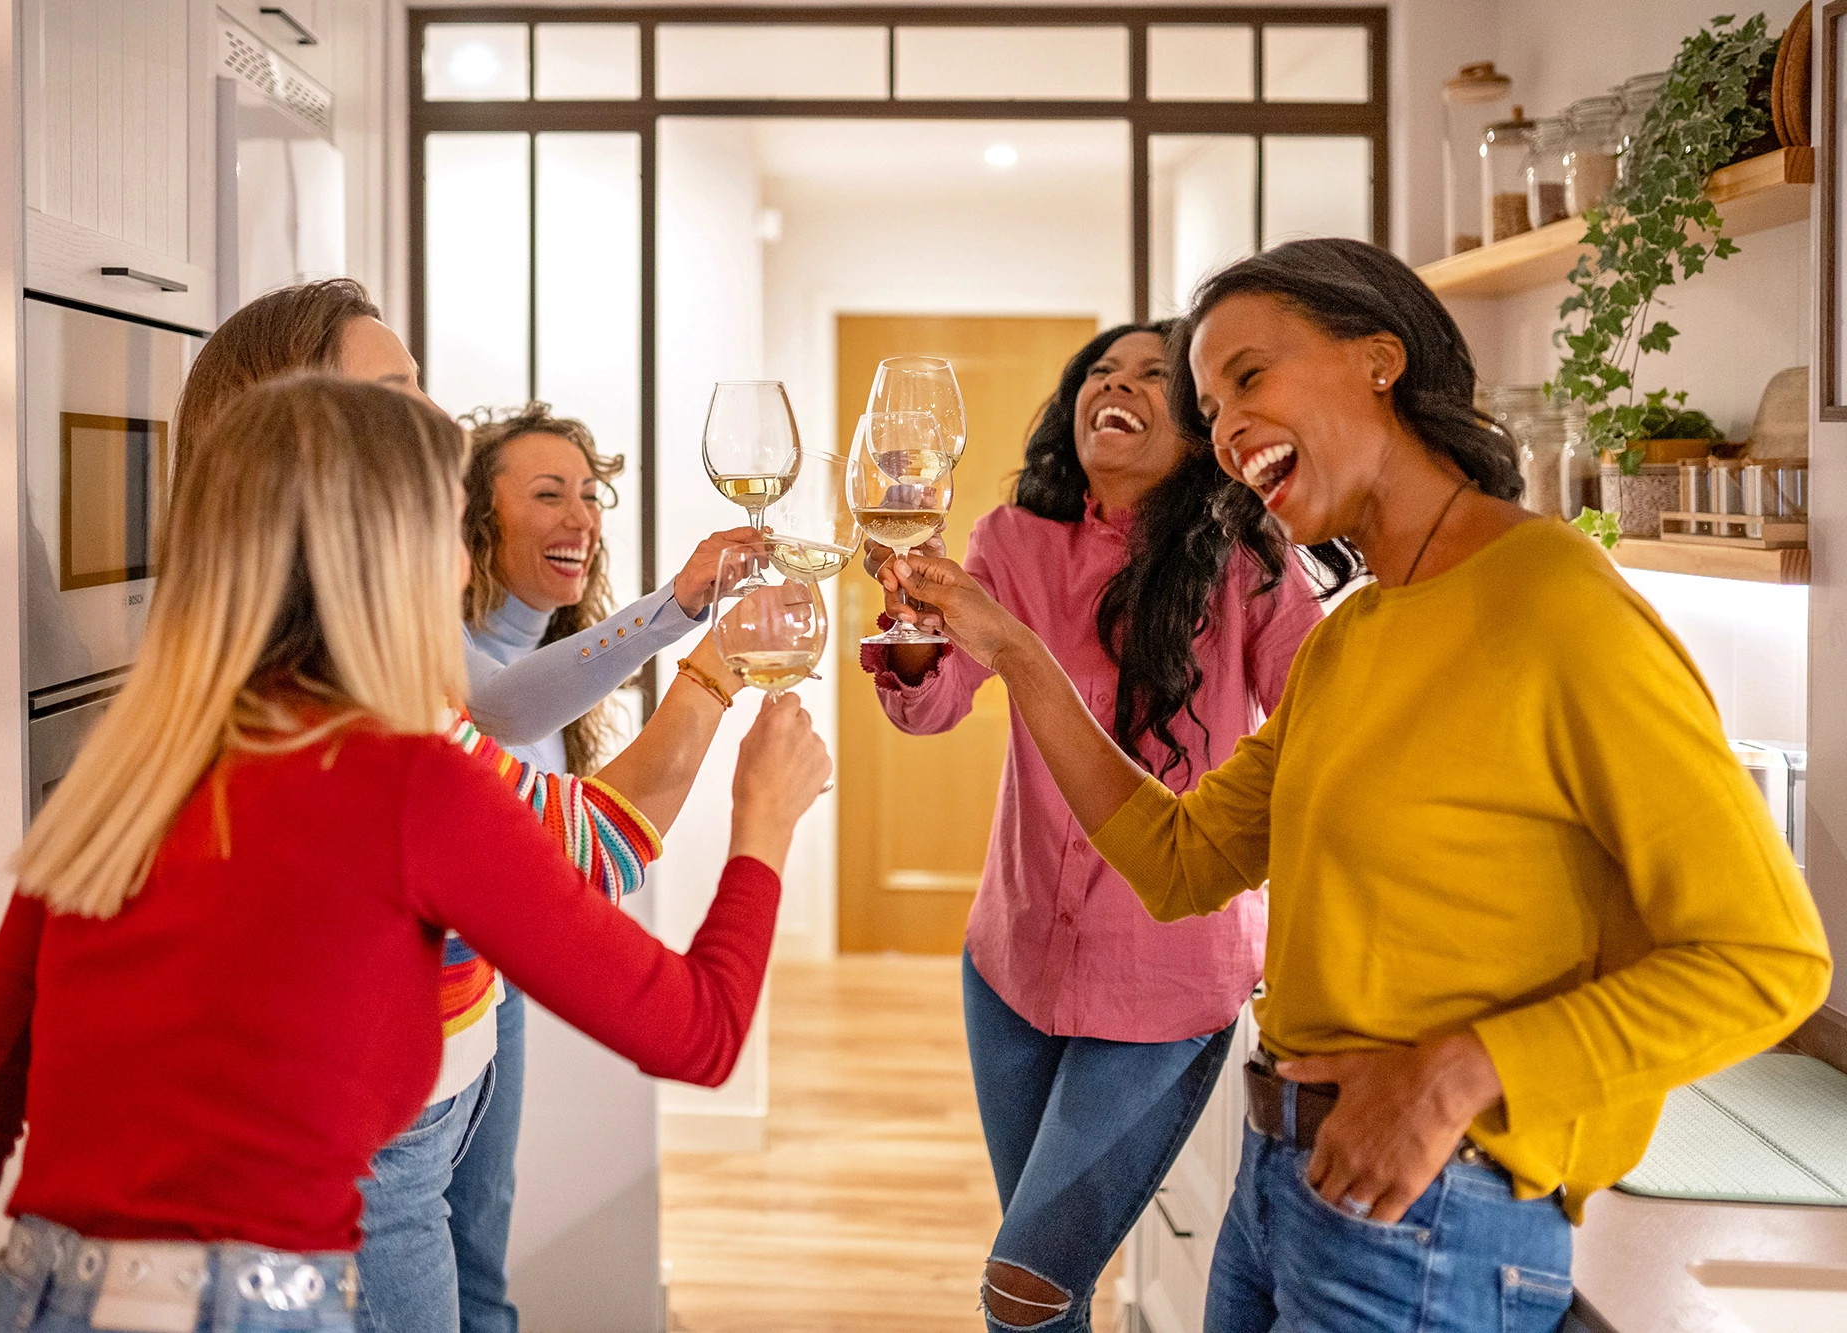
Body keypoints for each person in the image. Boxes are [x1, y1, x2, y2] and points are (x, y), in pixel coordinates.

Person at [883, 237, 1832, 1333]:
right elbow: (1179, 860)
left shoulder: (1553, 602)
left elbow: (1767, 959)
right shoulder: (1353, 635)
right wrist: (1011, 647)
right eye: (1212, 406)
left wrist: (1455, 1075)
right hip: (1285, 1183)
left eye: (1249, 376)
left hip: (1431, 1209)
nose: (1226, 428)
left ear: (1380, 359)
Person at [0, 375, 832, 1333]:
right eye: (449, 533)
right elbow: (698, 1033)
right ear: (393, 558)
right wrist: (763, 820)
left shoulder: (123, 768)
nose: (463, 566)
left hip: (32, 1302)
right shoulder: (415, 785)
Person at [165, 279, 757, 1332]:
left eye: (588, 494)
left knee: (481, 1254)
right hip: (379, 1145)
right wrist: (748, 763)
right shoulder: (372, 740)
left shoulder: (259, 708)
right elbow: (682, 1008)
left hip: (441, 1063)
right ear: (309, 448)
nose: (441, 422)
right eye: (400, 392)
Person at [858, 323, 1330, 1332]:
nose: (1116, 385)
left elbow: (1326, 726)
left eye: (1153, 376)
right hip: (1009, 963)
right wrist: (909, 621)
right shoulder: (1009, 540)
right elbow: (930, 707)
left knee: (1021, 1286)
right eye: (1100, 372)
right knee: (1049, 1293)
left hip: (1165, 981)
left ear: (1200, 431)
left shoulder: (1248, 561)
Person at [440, 400, 756, 1333]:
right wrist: (683, 618)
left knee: (480, 1235)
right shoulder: (447, 654)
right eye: (549, 494)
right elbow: (502, 708)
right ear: (474, 518)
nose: (581, 516)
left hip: (491, 985)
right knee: (452, 1242)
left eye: (590, 493)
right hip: (439, 998)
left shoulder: (547, 655)